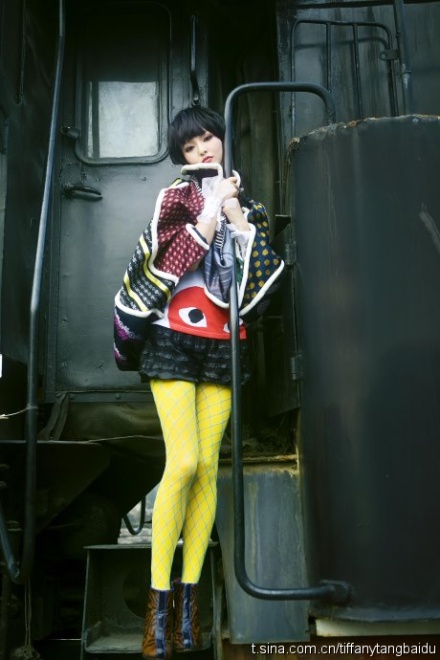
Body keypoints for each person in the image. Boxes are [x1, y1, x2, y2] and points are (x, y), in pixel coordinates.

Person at [113, 106, 285, 659]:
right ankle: (156, 609)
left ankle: (188, 616)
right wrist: (212, 210)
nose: (202, 150)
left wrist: (236, 214)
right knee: (183, 462)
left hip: (222, 345)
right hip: (171, 340)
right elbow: (168, 261)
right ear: (181, 156)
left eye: (208, 138)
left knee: (208, 467)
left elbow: (260, 284)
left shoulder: (250, 206)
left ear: (222, 139)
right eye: (190, 147)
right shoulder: (175, 198)